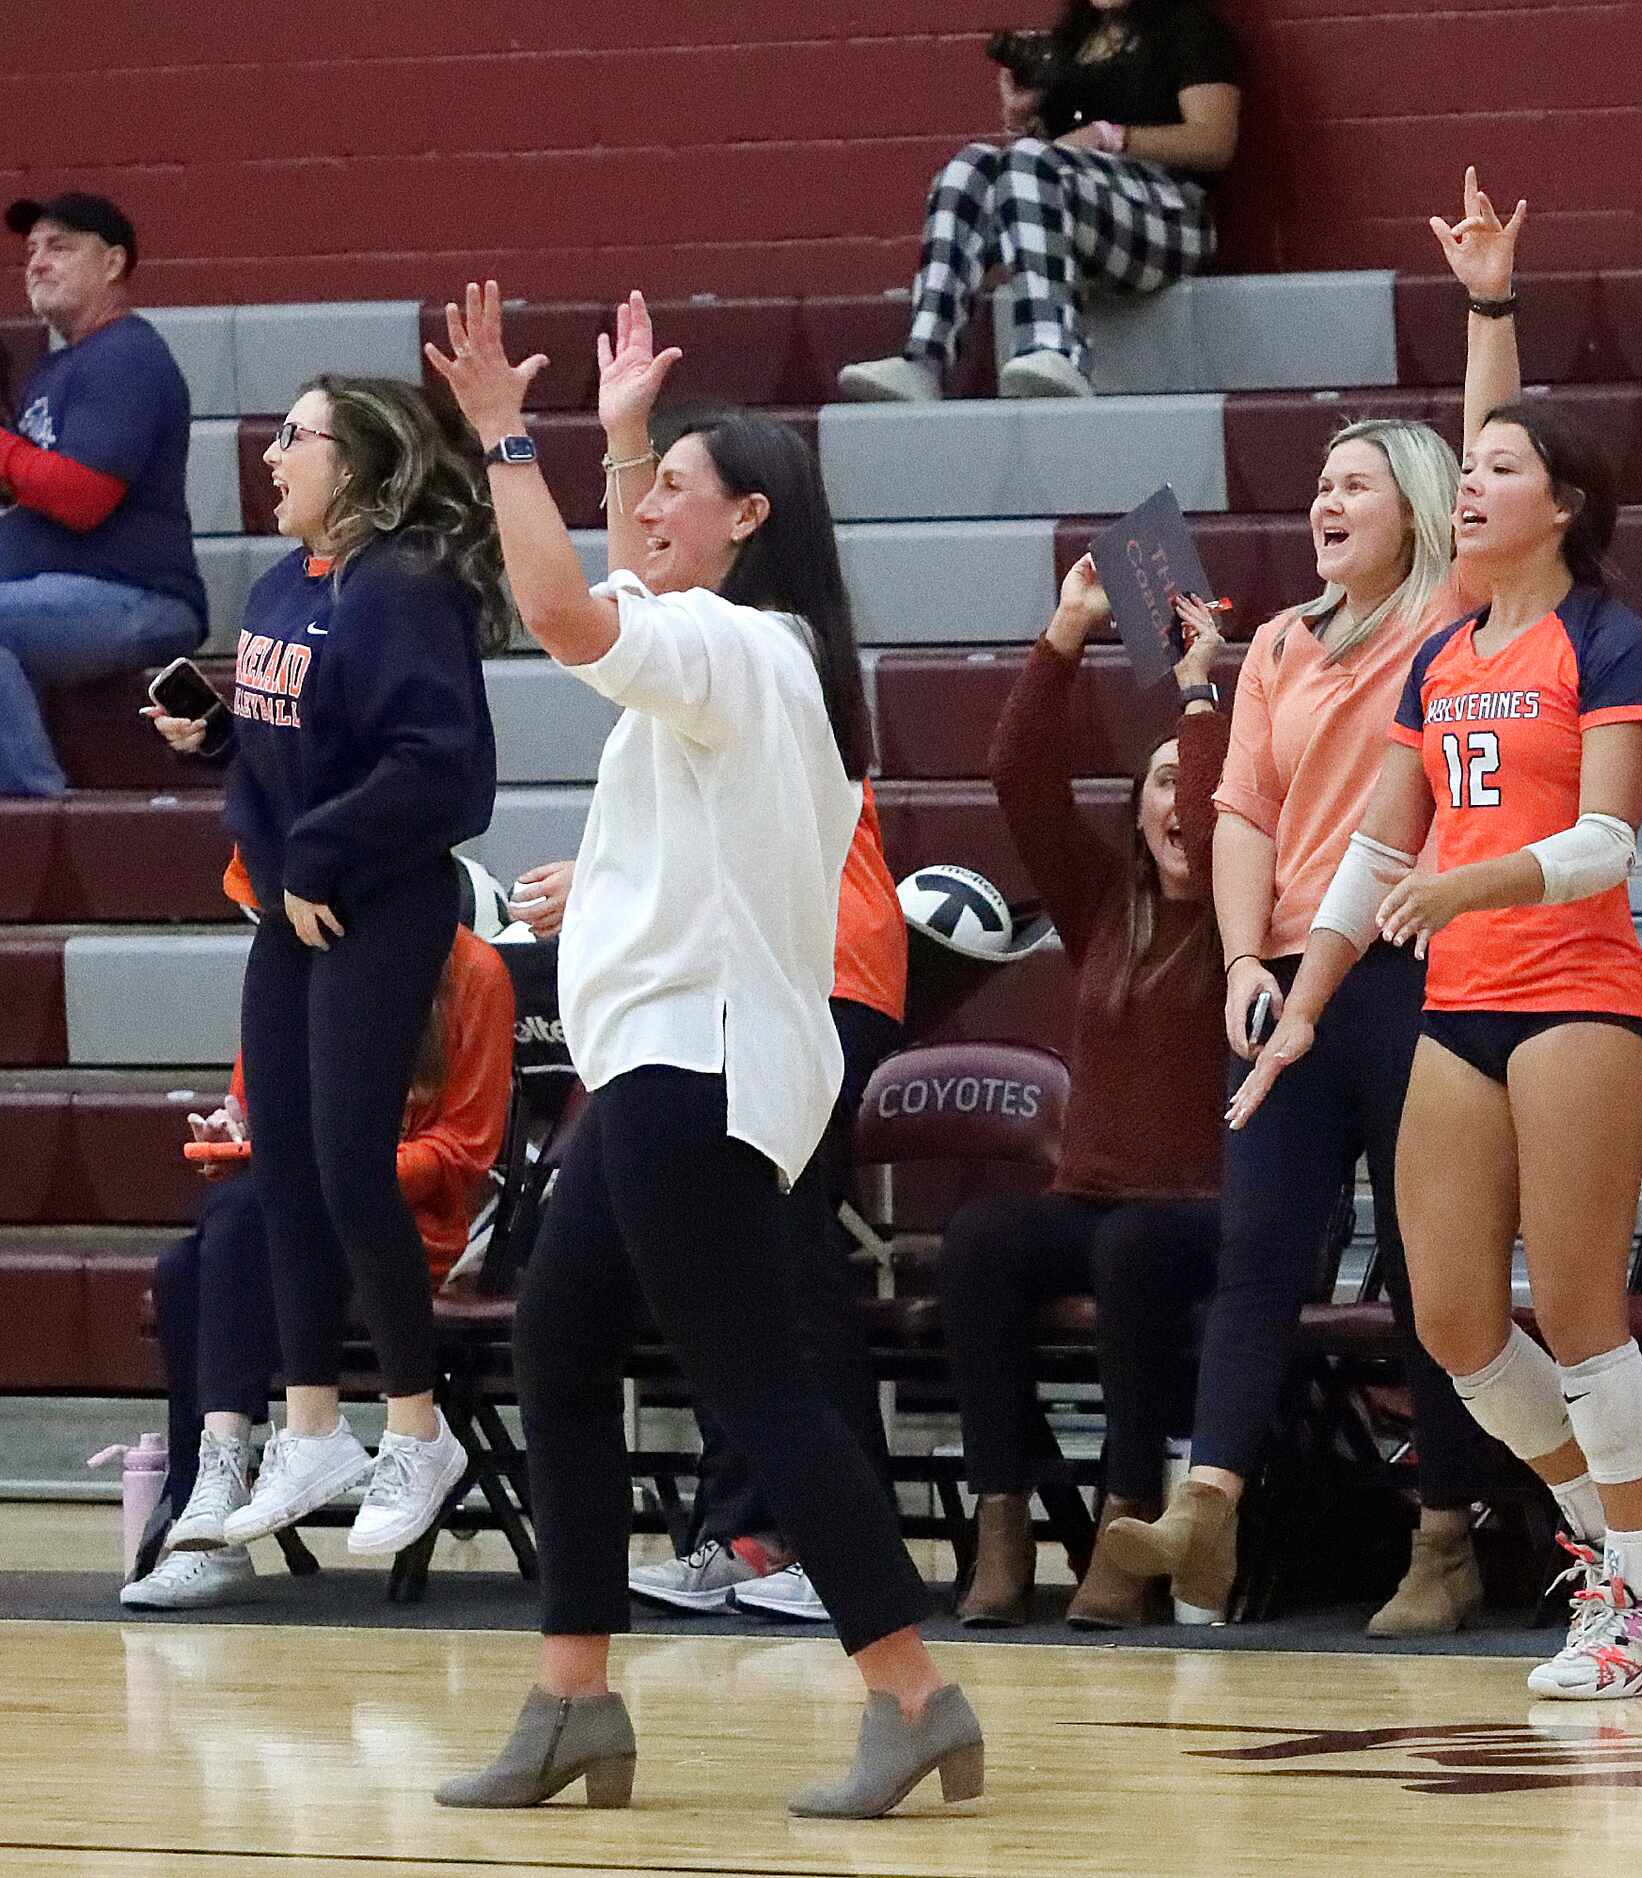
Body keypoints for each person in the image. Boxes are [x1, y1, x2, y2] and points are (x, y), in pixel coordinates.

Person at [426, 286, 976, 1817]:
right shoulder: (743, 642)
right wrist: (617, 443)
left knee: (754, 1379)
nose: (648, 505)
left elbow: (562, 612)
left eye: (676, 485)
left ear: (747, 517)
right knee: (558, 1334)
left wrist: (502, 438)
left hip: (699, 1063)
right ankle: (574, 1698)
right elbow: (619, 587)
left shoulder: (735, 646)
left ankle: (912, 1692)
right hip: (672, 1057)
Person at [1095, 172, 1527, 1636]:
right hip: (1283, 971)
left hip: (1414, 966)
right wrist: (1233, 957)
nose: (1322, 501)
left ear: (1415, 510)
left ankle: (1445, 1535)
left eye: (1353, 484)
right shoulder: (1276, 637)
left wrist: (1484, 305)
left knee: (1425, 1268)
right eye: (1317, 484)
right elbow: (1239, 811)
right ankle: (1205, 1511)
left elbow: (1495, 458)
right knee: (1257, 1248)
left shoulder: (1446, 612)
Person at [1228, 393, 1642, 1700]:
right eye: (1470, 468)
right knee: (1452, 1321)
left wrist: (1463, 890)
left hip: (1581, 998)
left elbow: (1607, 840)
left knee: (1582, 1311)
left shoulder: (1610, 642)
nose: (1474, 487)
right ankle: (1627, 1533)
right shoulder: (1443, 660)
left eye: (1504, 467)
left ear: (1567, 504)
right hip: (1464, 1006)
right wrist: (1308, 1000)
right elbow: (1378, 850)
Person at [140, 375, 506, 1567]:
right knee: (283, 1160)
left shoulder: (402, 590)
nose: (274, 456)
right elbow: (306, 744)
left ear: (356, 462)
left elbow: (439, 765)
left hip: (379, 903)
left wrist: (323, 848)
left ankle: (416, 1428)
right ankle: (311, 1428)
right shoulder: (274, 589)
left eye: (296, 438)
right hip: (292, 906)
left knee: (354, 1163)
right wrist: (222, 740)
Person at [516, 786, 909, 1625]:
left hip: (807, 977)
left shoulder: (750, 660)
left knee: (788, 1268)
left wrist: (602, 882)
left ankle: (842, 1559)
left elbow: (752, 829)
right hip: (724, 990)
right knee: (711, 1276)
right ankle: (745, 1536)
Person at [933, 564, 1228, 1629]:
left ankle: (1128, 1515)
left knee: (1134, 1252)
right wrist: (1064, 634)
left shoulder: (1259, 921)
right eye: (1153, 784)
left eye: (1187, 783)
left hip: (1212, 1210)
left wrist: (1199, 691)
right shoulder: (1105, 904)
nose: (1175, 802)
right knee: (980, 1242)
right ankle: (1002, 1516)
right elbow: (1018, 778)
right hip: (1101, 1194)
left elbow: (1212, 806)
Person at [126, 902, 513, 1610]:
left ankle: (212, 1508)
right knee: (190, 1266)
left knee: (241, 1223)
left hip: (402, 1230)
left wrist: (344, 1165)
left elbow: (467, 1152)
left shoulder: (473, 971)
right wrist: (232, 1135)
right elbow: (257, 1110)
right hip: (294, 1227)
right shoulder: (294, 953)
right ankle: (211, 1508)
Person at [838, 0, 1242, 401]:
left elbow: (1214, 142)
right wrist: (1024, 120)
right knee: (970, 165)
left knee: (1027, 158)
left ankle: (1054, 346)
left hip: (1171, 219)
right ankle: (924, 359)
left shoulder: (1192, 31)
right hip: (1089, 230)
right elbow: (1042, 169)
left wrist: (1110, 137)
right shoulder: (1074, 43)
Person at [0, 192, 204, 797]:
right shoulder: (55, 370)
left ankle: (38, 816)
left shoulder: (127, 356)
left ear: (113, 263)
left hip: (136, 597)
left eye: (59, 247)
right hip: (57, 599)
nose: (36, 262)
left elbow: (83, 497)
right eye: (31, 251)